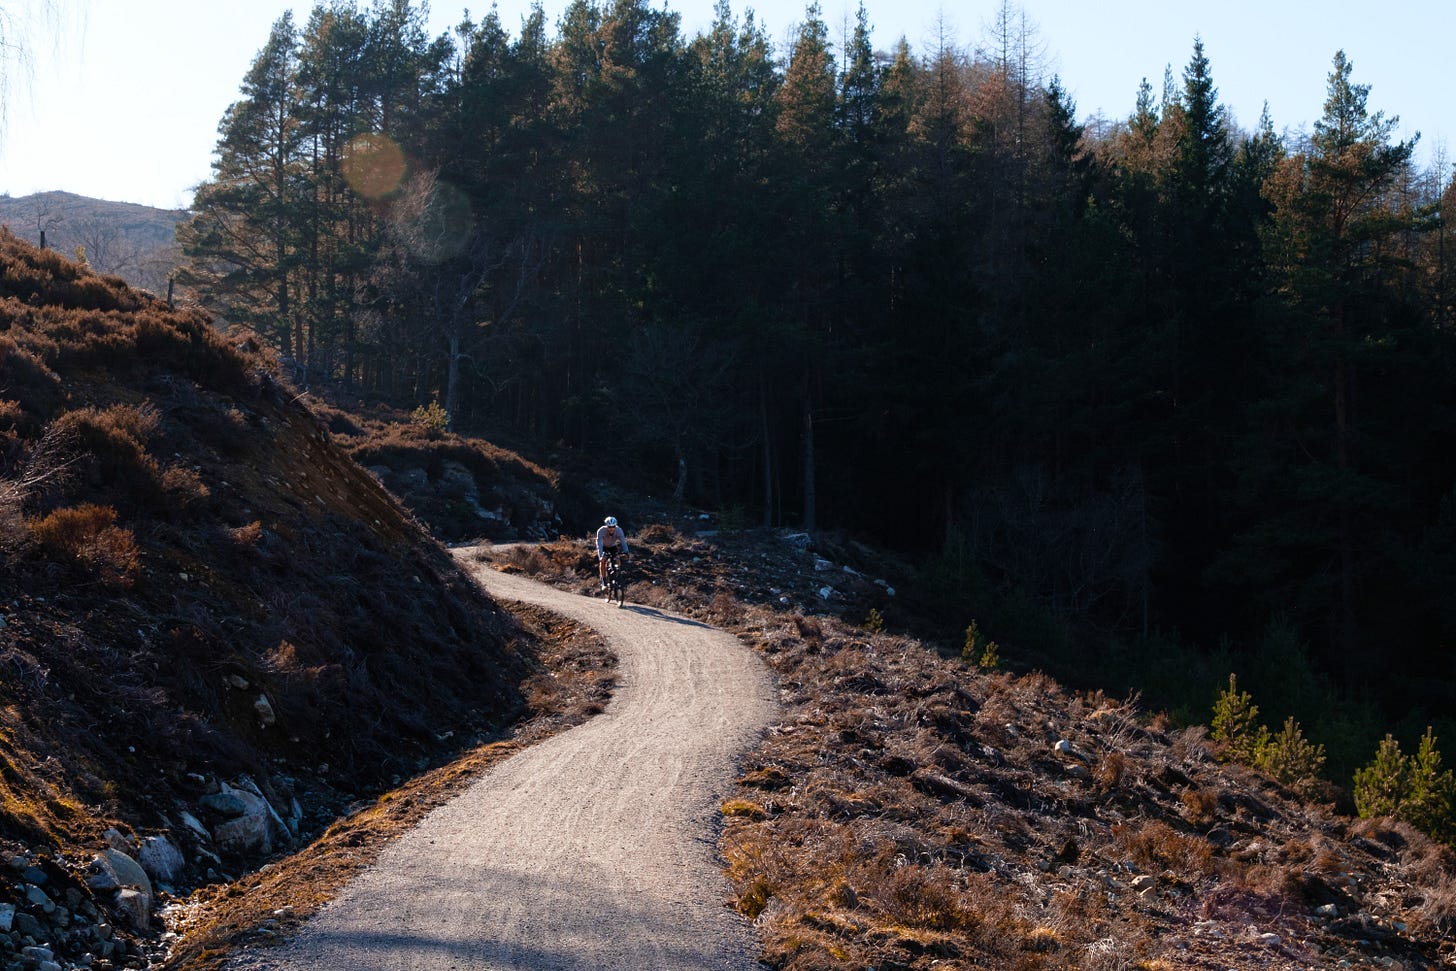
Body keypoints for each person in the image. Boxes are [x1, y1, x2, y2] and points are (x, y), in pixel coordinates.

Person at [596, 516, 629, 591]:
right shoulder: (601, 531)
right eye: (609, 527)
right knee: (603, 562)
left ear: (615, 526)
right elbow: (599, 544)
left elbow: (623, 541)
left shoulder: (619, 530)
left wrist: (626, 552)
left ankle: (617, 577)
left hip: (612, 546)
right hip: (603, 547)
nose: (611, 528)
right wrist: (600, 556)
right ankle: (604, 582)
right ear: (606, 526)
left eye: (613, 527)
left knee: (617, 559)